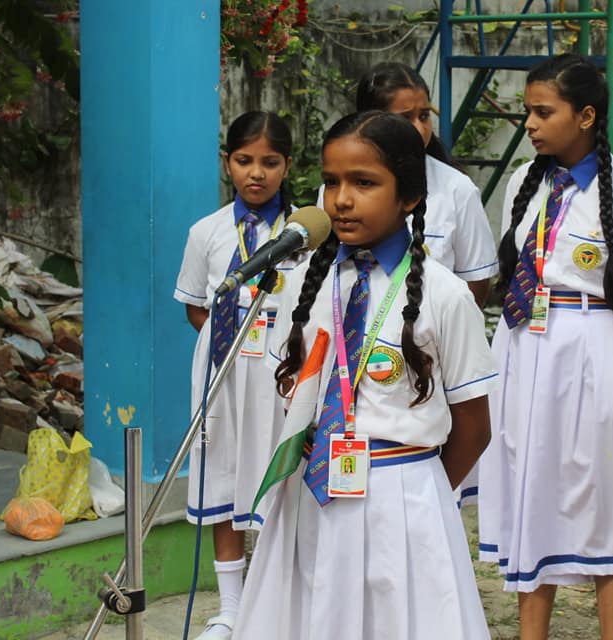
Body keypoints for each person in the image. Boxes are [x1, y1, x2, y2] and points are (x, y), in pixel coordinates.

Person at [233, 110, 496, 640]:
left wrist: (414, 490)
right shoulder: (307, 283)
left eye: (364, 183)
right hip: (312, 491)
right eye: (331, 182)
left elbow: (474, 426)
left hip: (402, 497)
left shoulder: (444, 295)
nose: (342, 200)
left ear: (410, 197)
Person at [476, 54, 613, 640]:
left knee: (610, 503)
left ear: (587, 115)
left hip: (596, 352)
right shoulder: (523, 182)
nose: (531, 124)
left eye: (544, 112)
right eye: (528, 113)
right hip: (523, 350)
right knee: (528, 492)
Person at [173, 111, 302, 640]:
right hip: (223, 373)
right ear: (228, 162)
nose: (257, 173)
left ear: (287, 165)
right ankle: (230, 608)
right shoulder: (206, 231)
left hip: (284, 374)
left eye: (270, 162)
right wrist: (235, 340)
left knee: (278, 476)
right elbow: (194, 307)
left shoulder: (306, 230)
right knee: (223, 475)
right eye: (245, 160)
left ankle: (275, 603)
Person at [318, 61, 498, 309]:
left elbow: (475, 283)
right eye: (404, 118)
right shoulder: (334, 193)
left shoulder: (457, 188)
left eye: (424, 116)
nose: (419, 128)